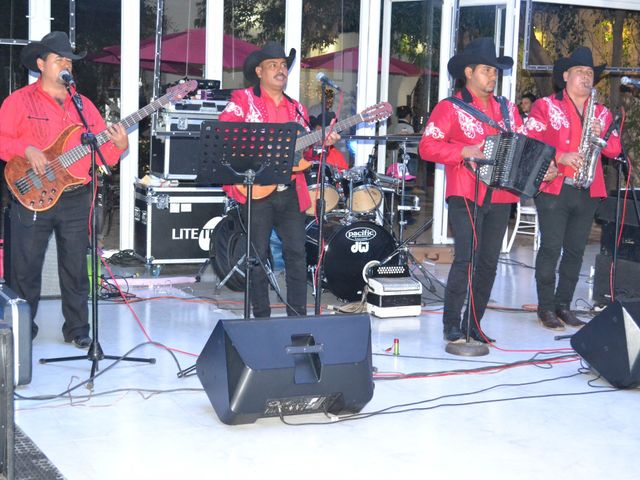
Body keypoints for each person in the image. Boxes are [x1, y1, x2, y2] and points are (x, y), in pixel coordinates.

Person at [0, 31, 129, 348]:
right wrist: (26, 148)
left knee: (75, 267)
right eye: (58, 59)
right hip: (31, 193)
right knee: (24, 269)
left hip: (75, 196)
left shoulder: (83, 106)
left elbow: (100, 154)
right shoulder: (18, 101)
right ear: (41, 64)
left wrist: (119, 146)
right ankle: (21, 327)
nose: (65, 65)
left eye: (68, 60)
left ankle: (77, 329)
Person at [219, 41, 339, 318]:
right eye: (273, 65)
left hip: (290, 191)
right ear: (259, 71)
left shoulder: (297, 109)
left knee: (296, 255)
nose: (280, 69)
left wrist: (324, 142)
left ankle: (297, 316)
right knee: (258, 257)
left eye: (284, 65)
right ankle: (261, 316)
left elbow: (306, 151)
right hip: (257, 189)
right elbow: (225, 136)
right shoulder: (242, 101)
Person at [419, 38, 527, 344]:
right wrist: (463, 150)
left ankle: (474, 324)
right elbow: (427, 146)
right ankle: (451, 324)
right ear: (469, 72)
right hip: (465, 190)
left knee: (489, 263)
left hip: (503, 194)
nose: (493, 76)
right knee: (466, 258)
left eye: (495, 71)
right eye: (486, 70)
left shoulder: (508, 109)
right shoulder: (450, 107)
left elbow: (521, 144)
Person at [524, 47, 621, 331]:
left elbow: (614, 150)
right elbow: (528, 139)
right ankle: (545, 307)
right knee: (551, 248)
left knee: (576, 251)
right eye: (581, 71)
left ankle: (563, 305)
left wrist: (599, 133)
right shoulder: (545, 105)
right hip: (555, 187)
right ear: (565, 75)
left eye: (590, 73)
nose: (587, 77)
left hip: (587, 189)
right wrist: (560, 156)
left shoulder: (601, 112)